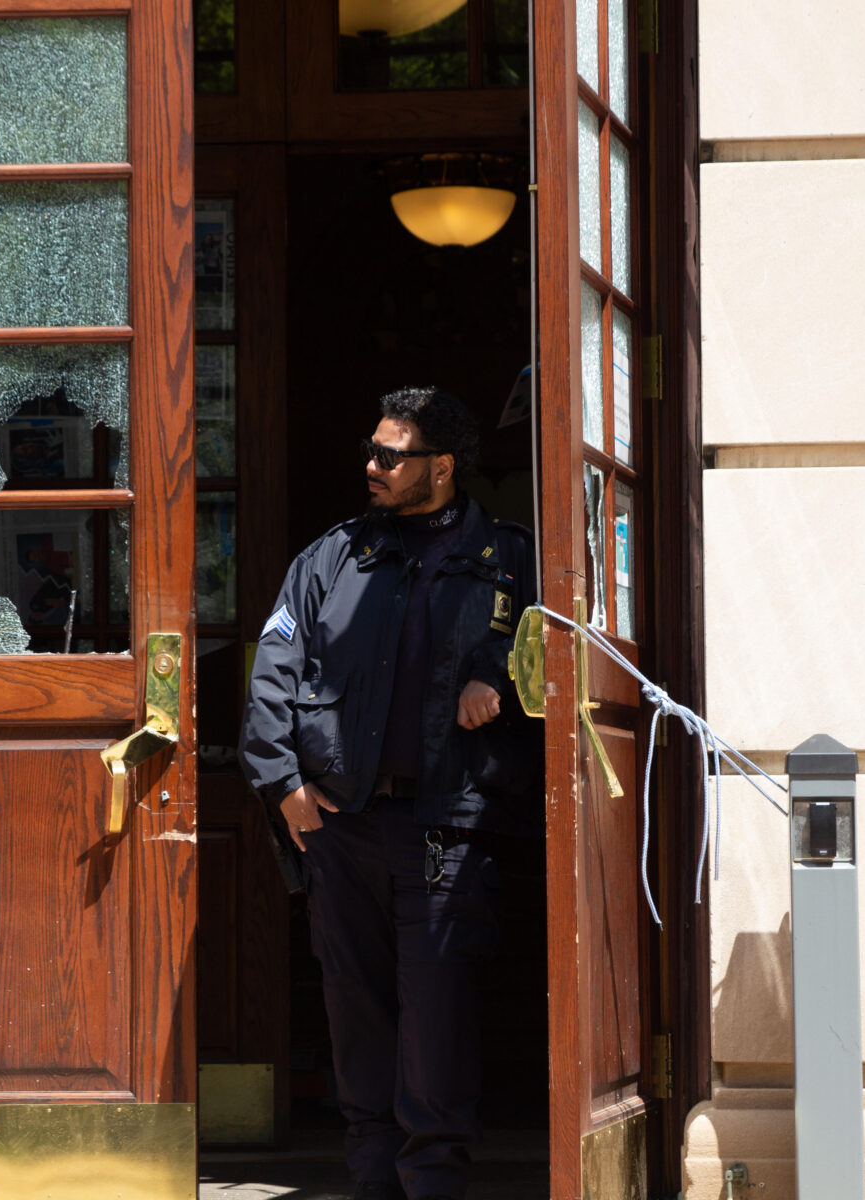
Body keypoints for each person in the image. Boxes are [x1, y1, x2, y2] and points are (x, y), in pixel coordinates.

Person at [240, 386, 541, 1200]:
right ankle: (371, 1181)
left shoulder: (511, 559)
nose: (369, 467)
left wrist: (500, 684)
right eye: (372, 451)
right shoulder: (332, 558)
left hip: (451, 826)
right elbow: (274, 672)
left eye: (389, 455)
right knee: (357, 1015)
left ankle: (433, 1183)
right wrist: (284, 785)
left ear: (439, 468)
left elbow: (562, 666)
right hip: (343, 827)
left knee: (438, 1021)